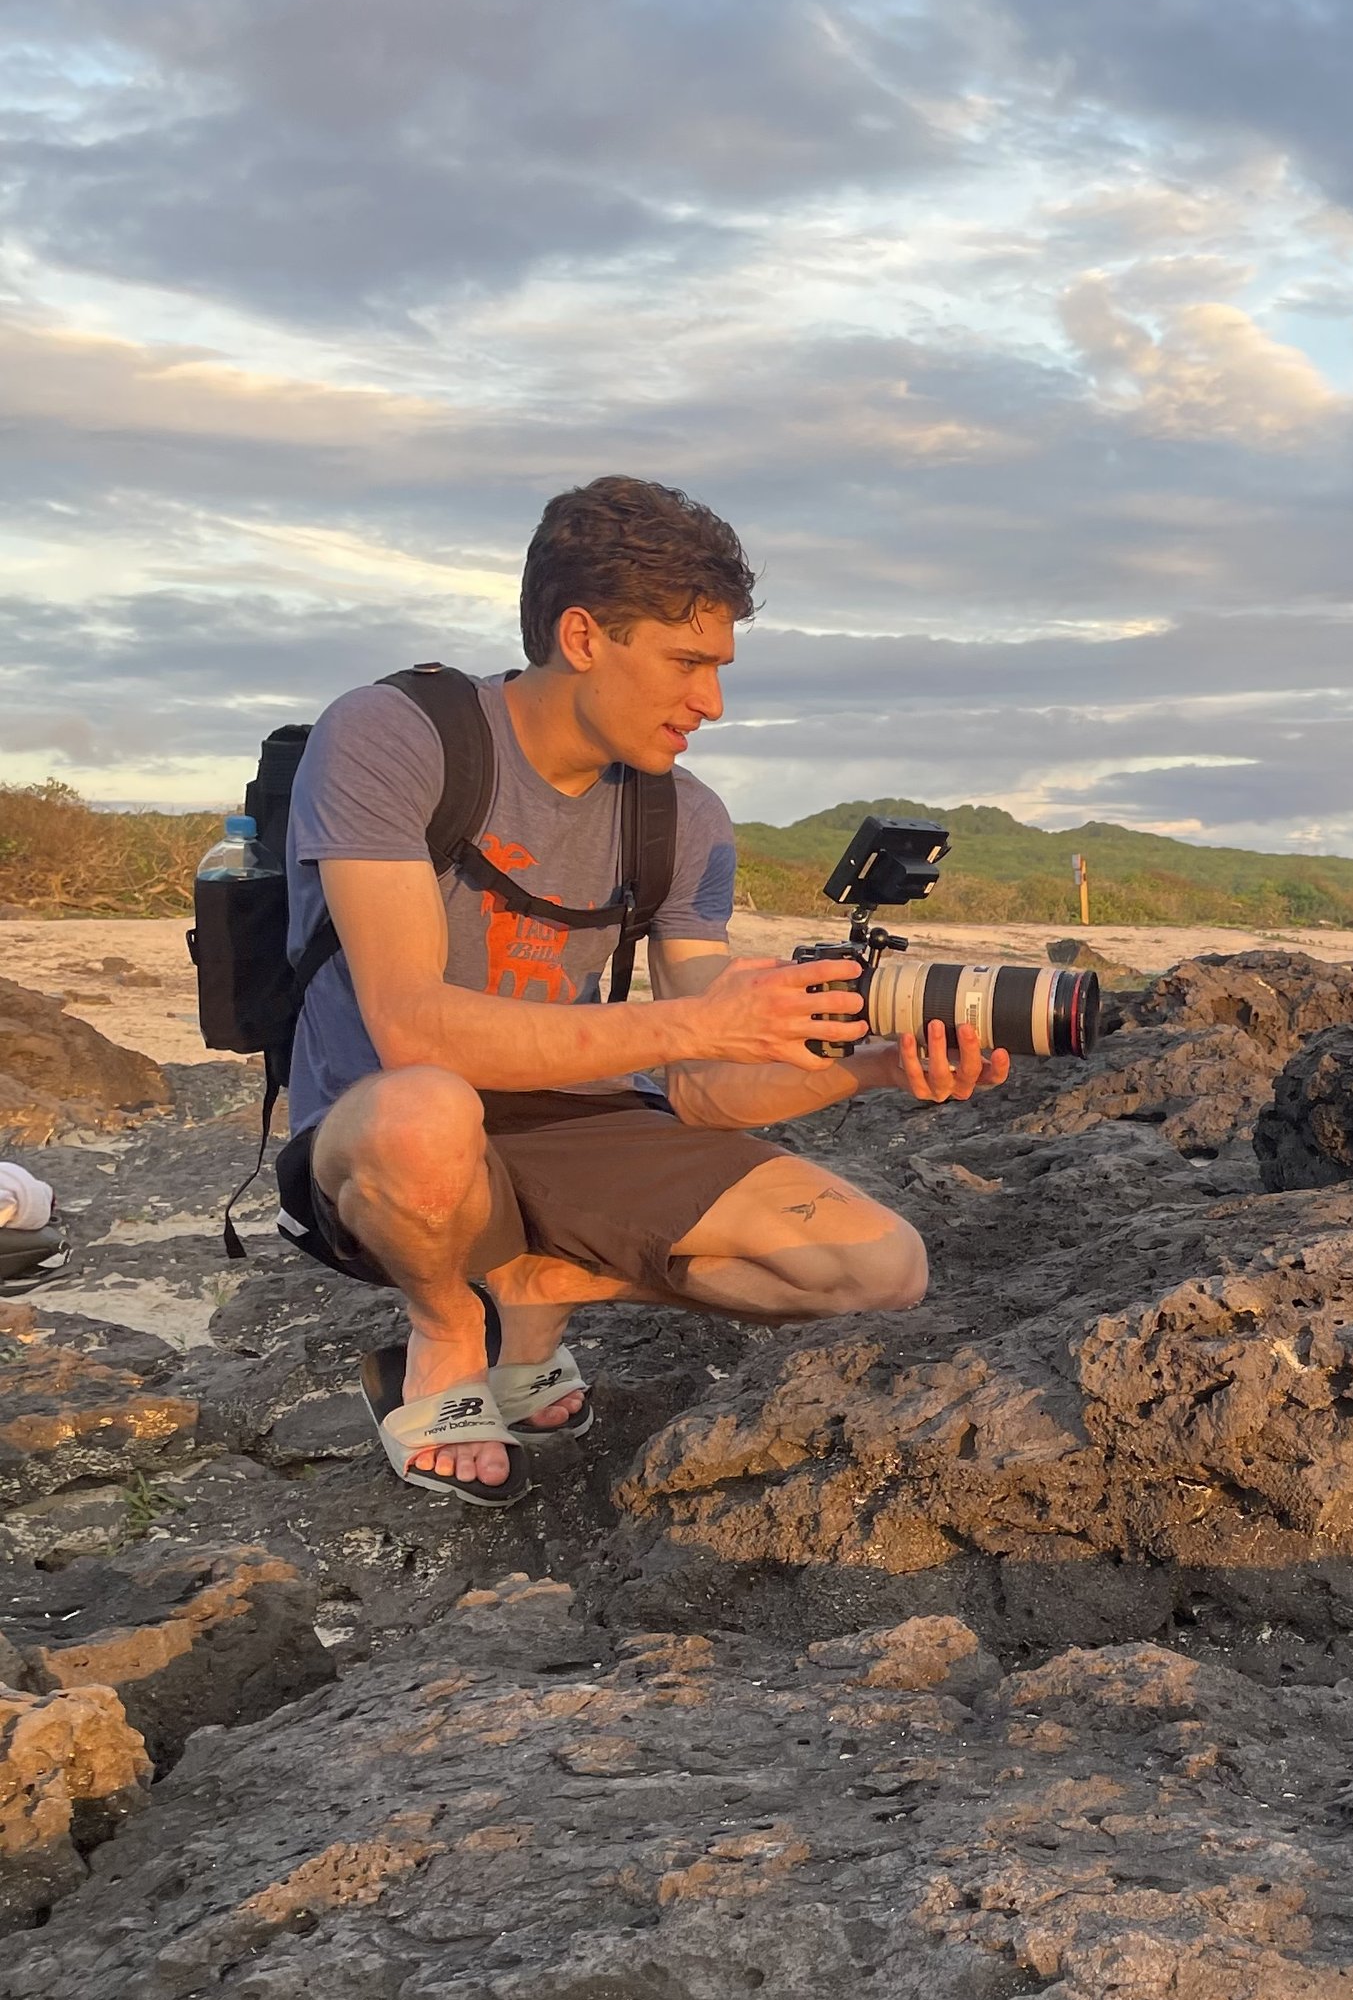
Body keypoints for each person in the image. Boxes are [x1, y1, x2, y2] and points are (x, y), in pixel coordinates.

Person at [272, 474, 1006, 1505]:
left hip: (567, 1124)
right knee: (428, 1108)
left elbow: (704, 1083)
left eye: (718, 665)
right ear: (582, 635)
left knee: (879, 1267)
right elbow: (410, 1025)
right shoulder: (398, 735)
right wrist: (697, 1018)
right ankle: (442, 1333)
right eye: (688, 660)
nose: (711, 700)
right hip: (386, 1124)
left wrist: (870, 1069)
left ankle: (527, 1282)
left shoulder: (684, 819)